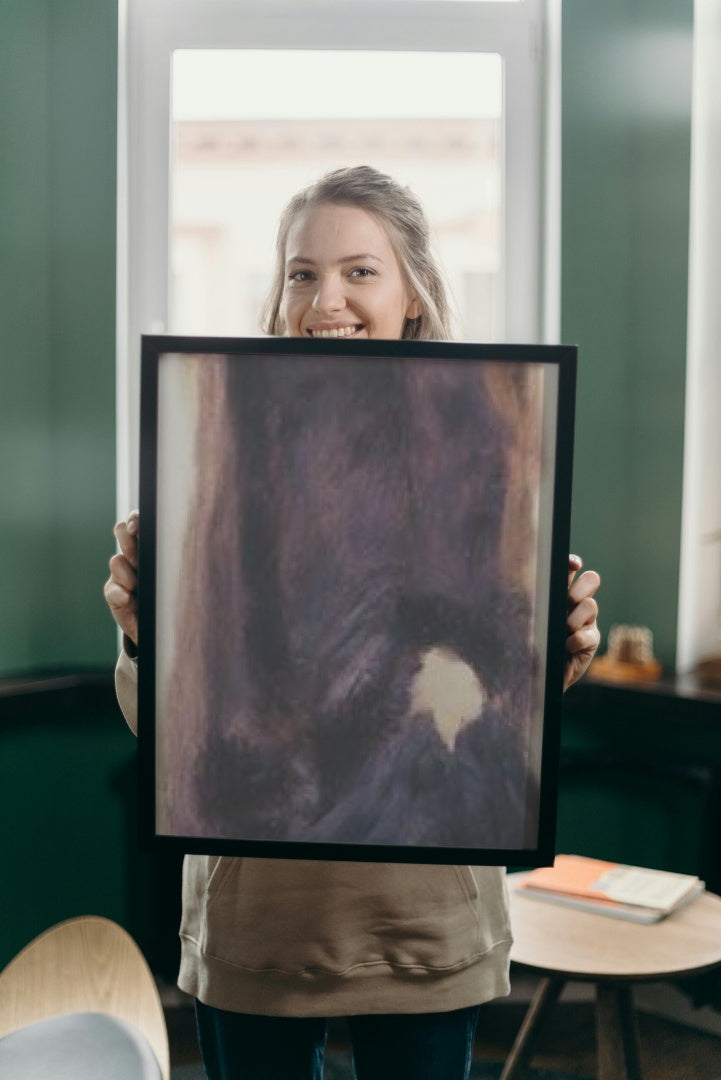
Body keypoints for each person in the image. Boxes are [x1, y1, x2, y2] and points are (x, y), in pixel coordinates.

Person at [105, 166, 601, 1080]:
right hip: (259, 922)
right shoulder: (219, 442)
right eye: (301, 273)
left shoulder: (487, 440)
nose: (324, 298)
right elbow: (171, 728)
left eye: (358, 271)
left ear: (412, 292)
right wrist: (146, 637)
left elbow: (494, 700)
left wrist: (555, 652)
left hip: (422, 920)